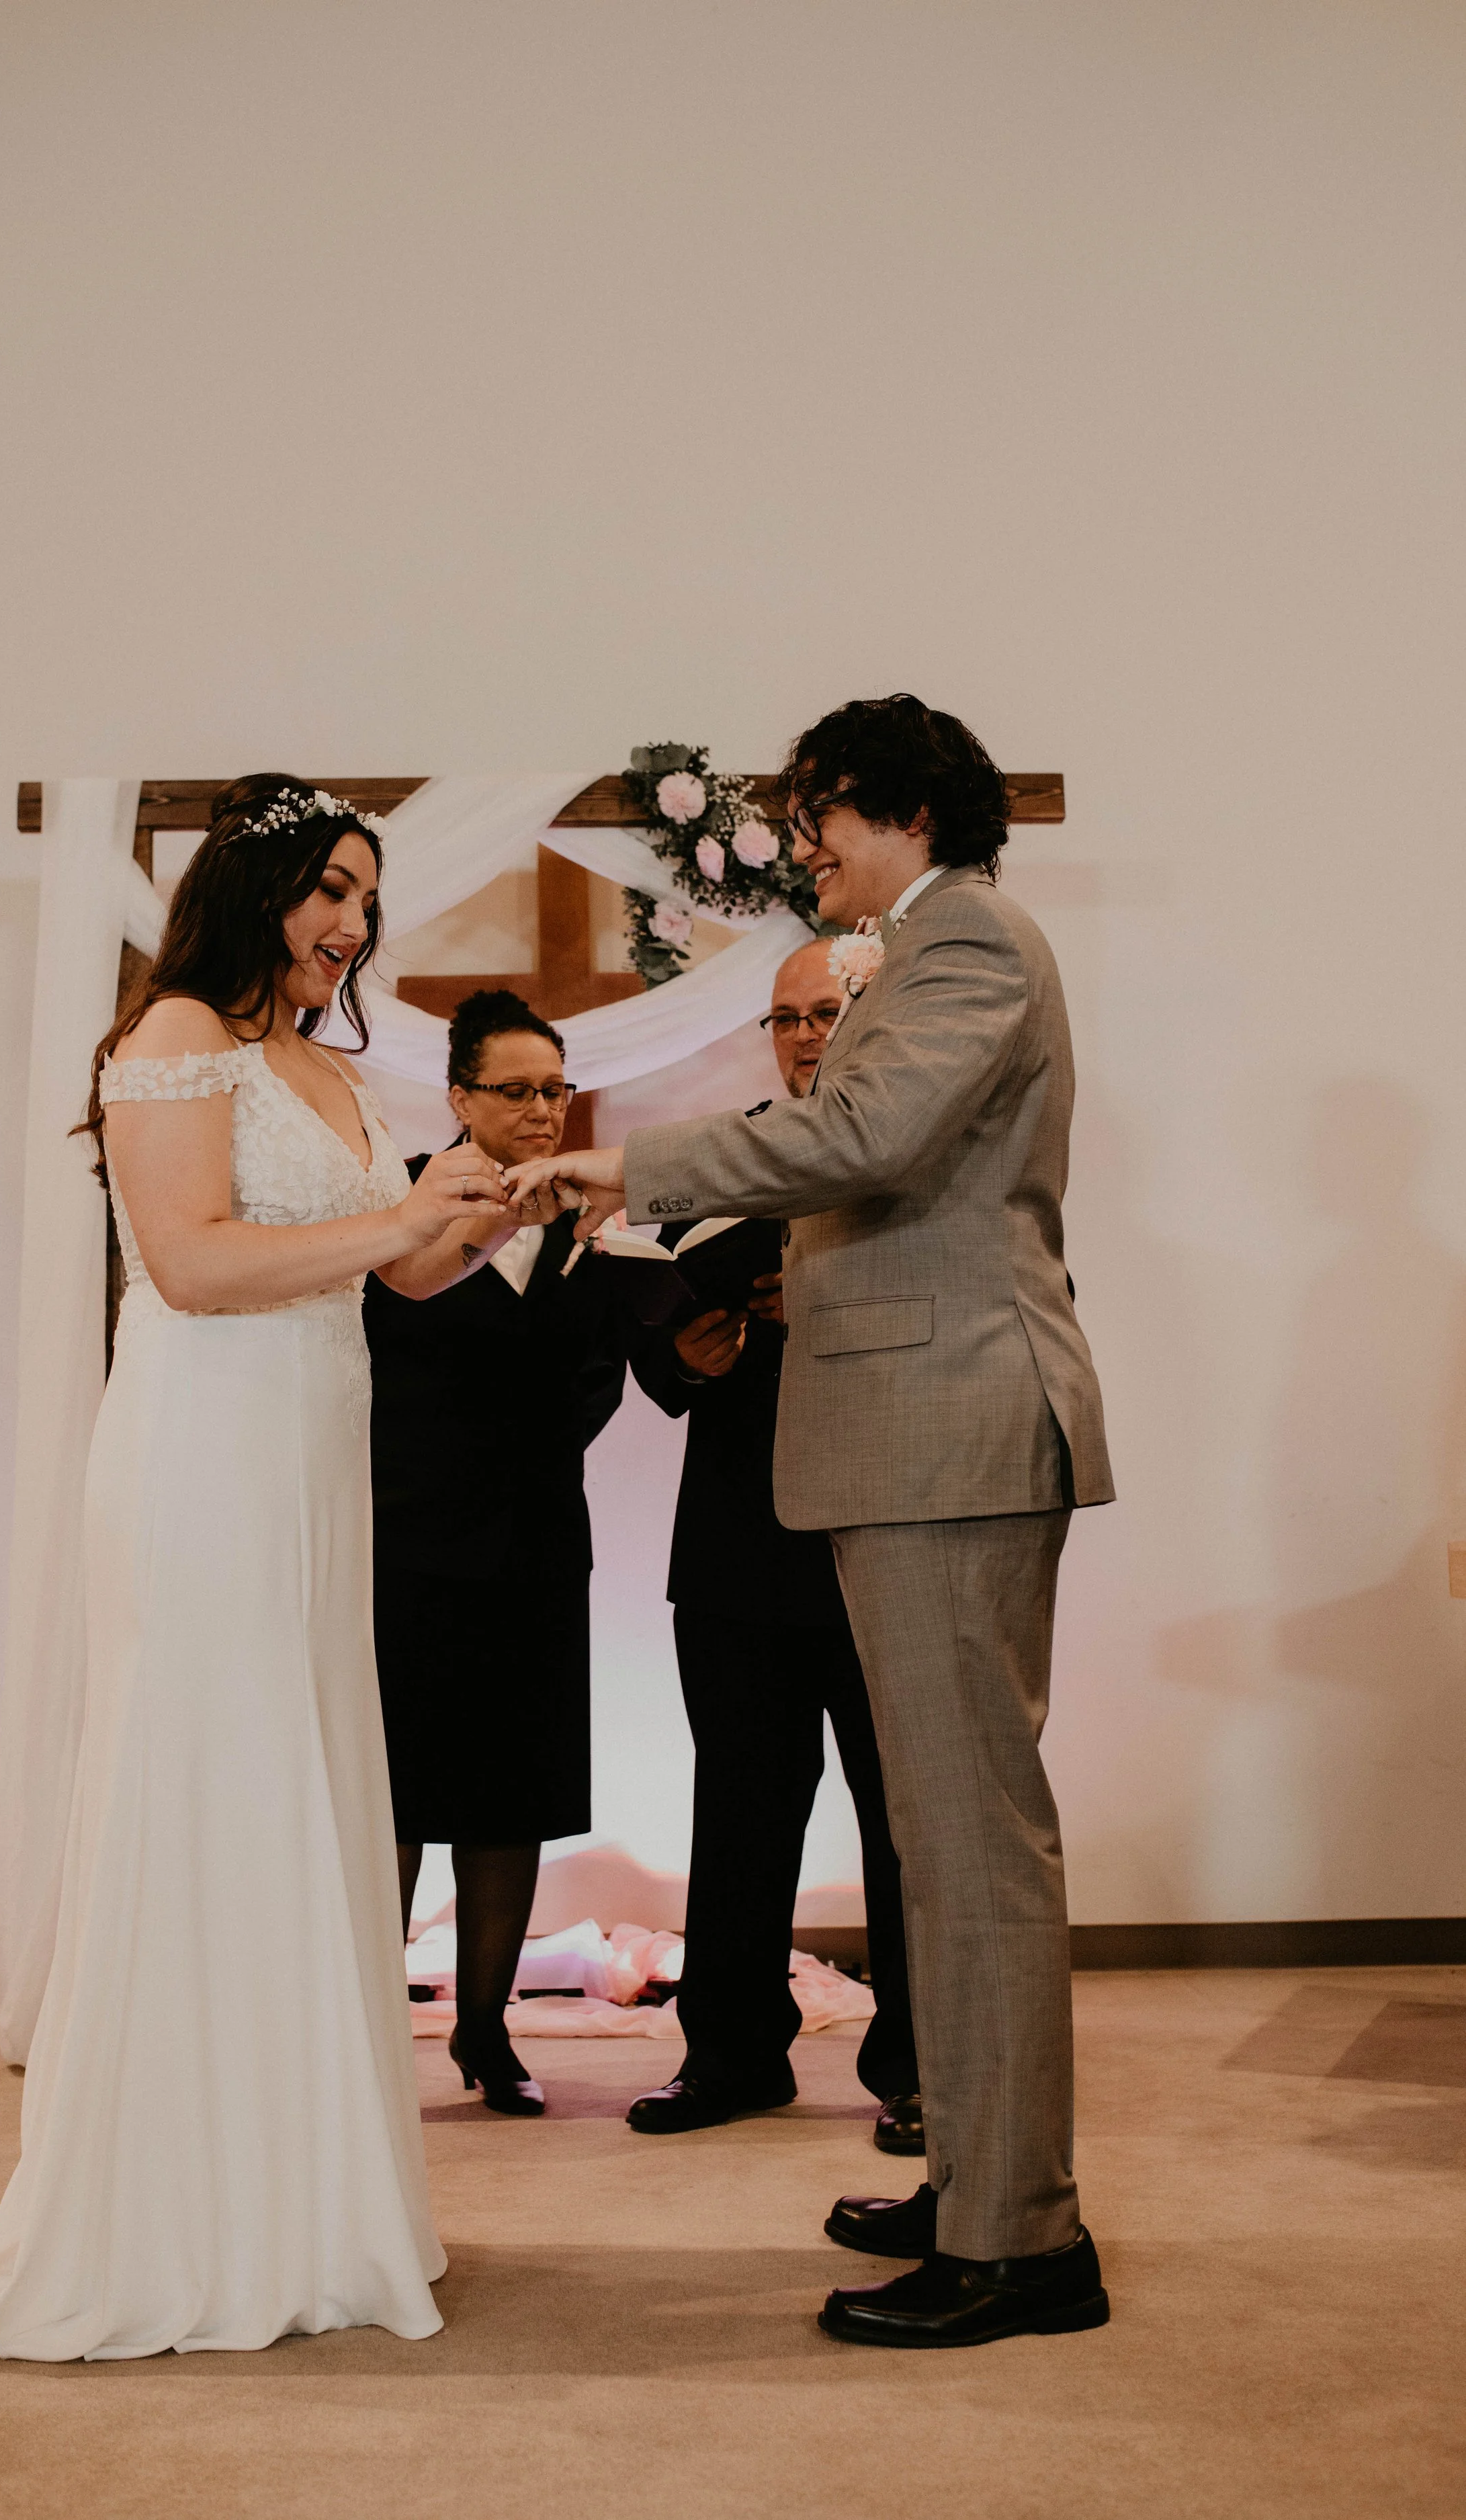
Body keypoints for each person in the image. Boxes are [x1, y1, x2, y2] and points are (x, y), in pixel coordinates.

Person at [0, 774, 531, 2365]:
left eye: (361, 894)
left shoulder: (318, 1066)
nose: (347, 920)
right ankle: (178, 2206)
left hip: (313, 1461)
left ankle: (310, 2194)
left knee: (306, 1785)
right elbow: (191, 1266)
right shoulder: (174, 1039)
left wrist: (475, 1210)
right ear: (254, 889)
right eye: (326, 888)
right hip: (205, 1459)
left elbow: (391, 1270)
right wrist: (397, 1217)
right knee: (215, 1784)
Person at [504, 695, 1116, 2351]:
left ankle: (1021, 2244)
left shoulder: (966, 937)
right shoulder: (926, 946)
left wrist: (619, 1167)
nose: (806, 847)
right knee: (941, 1841)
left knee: (972, 1853)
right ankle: (982, 2183)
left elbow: (866, 1135)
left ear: (905, 809)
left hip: (950, 1435)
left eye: (824, 814)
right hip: (915, 1438)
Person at [621, 937, 922, 2149]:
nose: (805, 1037)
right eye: (787, 1019)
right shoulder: (733, 1154)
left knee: (906, 1815)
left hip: (882, 1537)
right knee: (737, 1810)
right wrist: (675, 1354)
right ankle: (733, 2054)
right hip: (743, 1543)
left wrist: (839, 1302)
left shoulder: (920, 1154)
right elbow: (648, 1308)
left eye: (829, 1012)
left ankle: (918, 2067)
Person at [363, 991, 626, 2118]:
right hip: (410, 1537)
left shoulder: (586, 1220)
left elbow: (595, 1379)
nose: (538, 1111)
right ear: (460, 1096)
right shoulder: (401, 1200)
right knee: (398, 1797)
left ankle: (486, 2026)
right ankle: (368, 2030)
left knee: (511, 1798)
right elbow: (369, 1354)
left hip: (533, 1540)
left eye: (553, 1091)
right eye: (513, 1091)